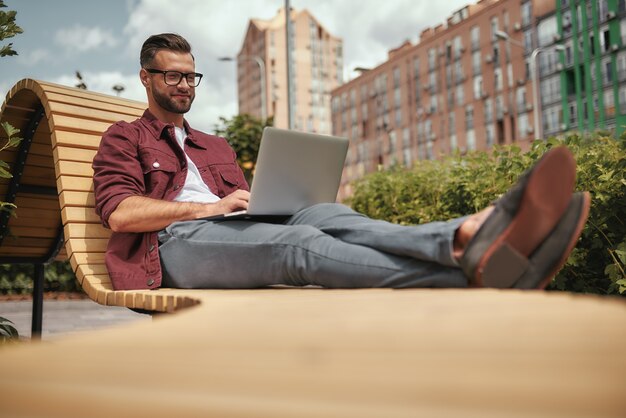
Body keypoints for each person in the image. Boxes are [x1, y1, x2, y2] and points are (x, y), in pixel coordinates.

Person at [92, 33, 590, 291]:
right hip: (171, 248)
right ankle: (475, 261)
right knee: (300, 244)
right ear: (146, 78)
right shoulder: (124, 137)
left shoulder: (215, 145)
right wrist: (209, 209)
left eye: (190, 77)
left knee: (327, 217)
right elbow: (121, 214)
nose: (183, 85)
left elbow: (247, 211)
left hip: (226, 231)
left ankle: (462, 237)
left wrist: (258, 202)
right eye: (172, 77)